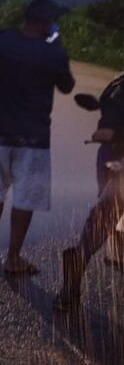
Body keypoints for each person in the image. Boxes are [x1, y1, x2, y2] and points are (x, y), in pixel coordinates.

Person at [0, 0, 75, 275]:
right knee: (25, 197)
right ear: (46, 23)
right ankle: (13, 257)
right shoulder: (52, 52)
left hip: (1, 133)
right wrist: (59, 51)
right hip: (33, 138)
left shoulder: (3, 43)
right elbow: (67, 87)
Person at [55, 73, 124, 310]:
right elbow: (106, 129)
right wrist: (108, 133)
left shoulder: (116, 84)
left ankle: (114, 251)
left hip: (111, 159)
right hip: (116, 162)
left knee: (107, 216)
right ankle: (70, 287)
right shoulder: (118, 88)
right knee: (104, 217)